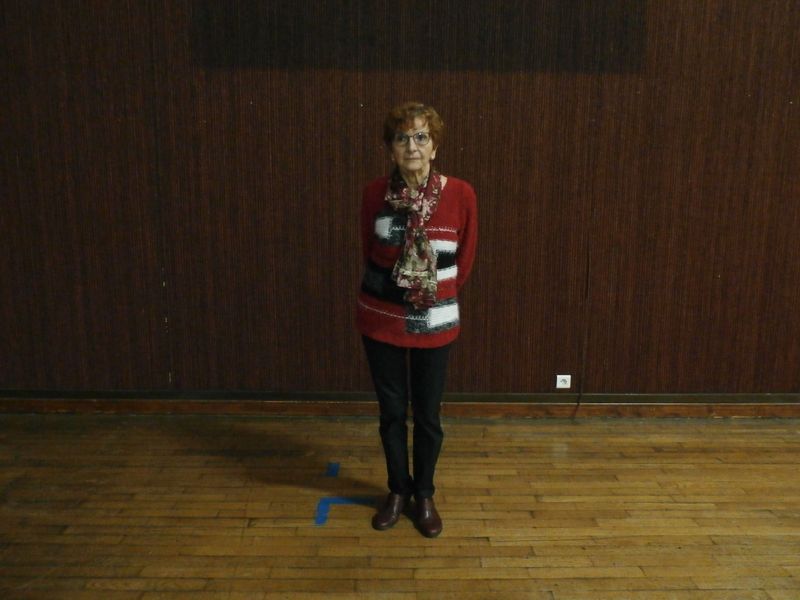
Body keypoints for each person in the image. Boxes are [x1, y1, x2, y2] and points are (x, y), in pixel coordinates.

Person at [356, 101, 478, 537]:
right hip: (381, 319)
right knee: (392, 414)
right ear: (390, 148)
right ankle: (397, 490)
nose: (412, 146)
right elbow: (369, 251)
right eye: (402, 138)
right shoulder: (374, 194)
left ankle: (423, 494)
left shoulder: (461, 194)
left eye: (421, 137)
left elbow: (464, 261)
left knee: (428, 416)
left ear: (435, 146)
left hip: (435, 321)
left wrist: (431, 295)